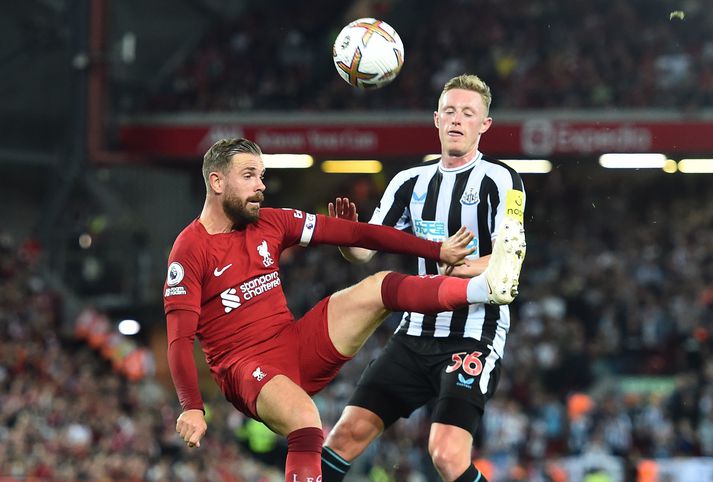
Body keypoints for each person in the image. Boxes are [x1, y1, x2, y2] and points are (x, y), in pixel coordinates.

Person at [163, 137, 525, 482]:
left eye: (262, 176)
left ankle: (482, 287)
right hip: (245, 368)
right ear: (217, 181)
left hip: (294, 344)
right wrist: (192, 406)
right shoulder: (190, 250)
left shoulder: (271, 222)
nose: (261, 186)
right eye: (249, 176)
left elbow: (358, 235)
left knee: (377, 287)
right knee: (307, 419)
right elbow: (179, 340)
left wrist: (436, 251)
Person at [321, 74, 526, 482]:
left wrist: (454, 267)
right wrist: (346, 235)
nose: (457, 120)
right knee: (343, 437)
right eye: (449, 111)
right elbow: (364, 251)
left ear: (484, 125)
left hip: (473, 334)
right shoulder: (408, 182)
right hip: (413, 335)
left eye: (468, 113)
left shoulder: (500, 180)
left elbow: (511, 259)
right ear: (436, 118)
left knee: (446, 454)